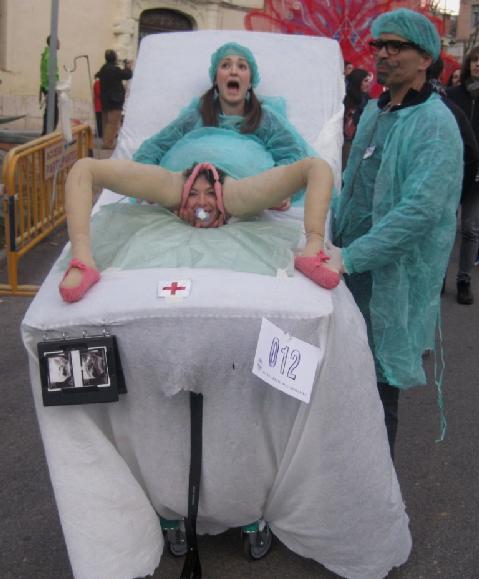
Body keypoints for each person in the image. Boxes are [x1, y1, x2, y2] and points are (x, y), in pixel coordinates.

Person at [59, 42, 339, 303]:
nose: (233, 70)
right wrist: (147, 183)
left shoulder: (265, 118)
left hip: (236, 190)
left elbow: (293, 156)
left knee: (318, 168)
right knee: (84, 168)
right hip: (179, 183)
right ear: (216, 77)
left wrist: (279, 191)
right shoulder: (195, 114)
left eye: (241, 66)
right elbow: (155, 146)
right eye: (226, 65)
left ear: (250, 80)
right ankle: (83, 261)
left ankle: (313, 249)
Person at [329, 9, 463, 458]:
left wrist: (351, 257)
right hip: (347, 272)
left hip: (390, 280)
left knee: (377, 393)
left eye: (395, 46)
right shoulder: (376, 111)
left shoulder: (435, 124)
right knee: (343, 384)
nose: (383, 54)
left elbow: (418, 213)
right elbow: (352, 188)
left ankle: (374, 489)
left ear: (425, 58)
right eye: (378, 45)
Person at [446, 47, 479, 304]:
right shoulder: (453, 94)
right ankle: (437, 276)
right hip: (450, 170)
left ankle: (464, 280)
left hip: (476, 175)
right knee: (444, 225)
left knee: (469, 228)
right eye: (475, 60)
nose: (478, 64)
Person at [97, 49, 132, 149]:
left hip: (105, 100)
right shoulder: (114, 69)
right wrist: (128, 67)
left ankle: (106, 142)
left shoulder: (103, 68)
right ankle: (108, 144)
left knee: (106, 123)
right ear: (114, 58)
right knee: (113, 123)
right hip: (115, 101)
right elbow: (127, 75)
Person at [342, 68, 370, 167]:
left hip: (363, 144)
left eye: (368, 81)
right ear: (358, 81)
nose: (368, 84)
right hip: (347, 143)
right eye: (365, 81)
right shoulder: (346, 100)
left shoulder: (368, 100)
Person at [40, 35, 60, 135]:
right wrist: (52, 89)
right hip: (50, 88)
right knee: (53, 113)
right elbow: (50, 74)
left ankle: (46, 133)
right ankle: (46, 134)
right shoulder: (50, 56)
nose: (59, 43)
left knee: (50, 112)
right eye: (57, 41)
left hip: (48, 87)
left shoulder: (48, 54)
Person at [93, 73, 103, 139]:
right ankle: (100, 134)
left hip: (99, 105)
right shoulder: (97, 83)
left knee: (99, 120)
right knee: (99, 121)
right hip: (99, 106)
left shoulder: (97, 83)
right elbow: (99, 93)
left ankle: (100, 133)